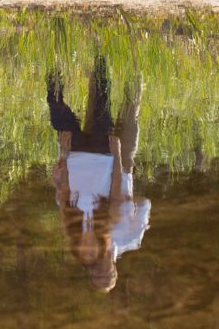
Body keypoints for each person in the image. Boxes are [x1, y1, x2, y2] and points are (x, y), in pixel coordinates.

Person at [46, 56, 149, 292]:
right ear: (114, 269)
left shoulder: (75, 225)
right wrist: (118, 157)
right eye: (106, 272)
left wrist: (63, 153)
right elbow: (129, 196)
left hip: (85, 155)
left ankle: (68, 53)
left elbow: (64, 189)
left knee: (75, 107)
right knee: (118, 106)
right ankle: (121, 55)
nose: (100, 267)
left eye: (96, 270)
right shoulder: (121, 234)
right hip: (113, 160)